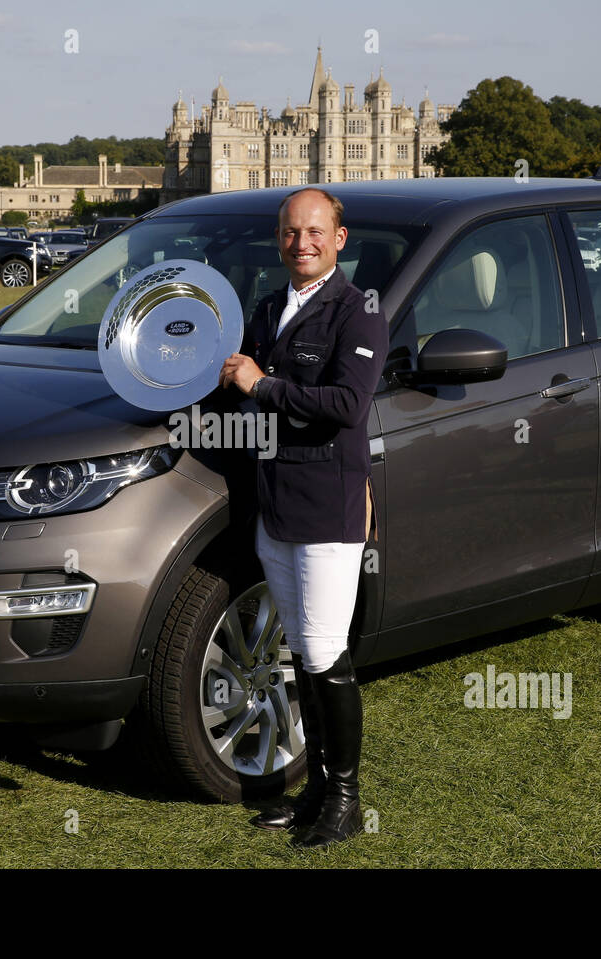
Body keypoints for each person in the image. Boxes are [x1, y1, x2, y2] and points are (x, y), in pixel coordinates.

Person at [219, 187, 386, 848]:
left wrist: (260, 384)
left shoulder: (358, 312)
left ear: (339, 238)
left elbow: (346, 403)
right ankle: (314, 787)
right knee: (302, 652)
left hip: (328, 507)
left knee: (324, 650)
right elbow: (238, 388)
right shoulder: (268, 306)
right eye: (291, 232)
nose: (302, 243)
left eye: (316, 231)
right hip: (275, 503)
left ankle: (344, 797)